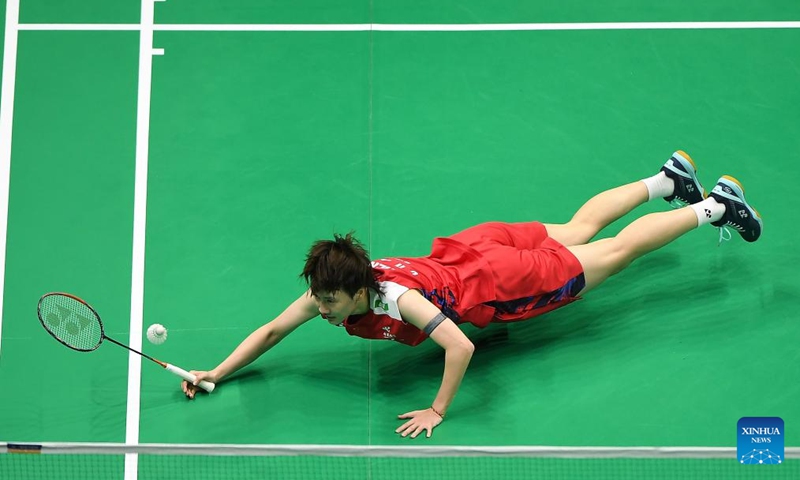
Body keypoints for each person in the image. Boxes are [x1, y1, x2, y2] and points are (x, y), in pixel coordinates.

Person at [181, 150, 762, 438]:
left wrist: (438, 409)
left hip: (501, 280)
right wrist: (216, 371)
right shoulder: (335, 286)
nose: (319, 308)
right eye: (318, 299)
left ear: (358, 291)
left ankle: (714, 205)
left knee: (613, 253)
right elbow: (272, 330)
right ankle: (666, 181)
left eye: (328, 302)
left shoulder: (398, 301)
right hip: (472, 248)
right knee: (577, 229)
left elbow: (461, 349)